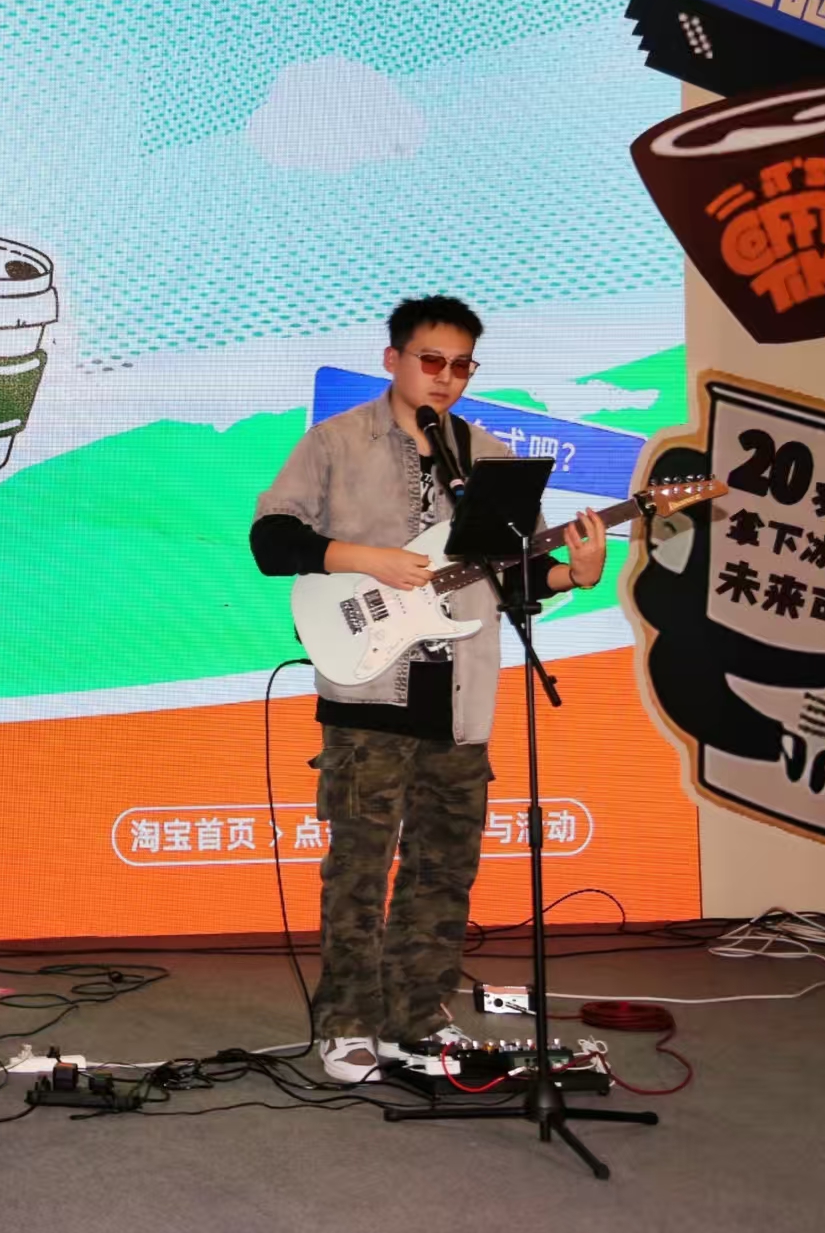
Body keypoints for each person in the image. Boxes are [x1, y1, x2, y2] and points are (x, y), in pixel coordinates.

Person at [251, 295, 607, 1083]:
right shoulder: (336, 442)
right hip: (368, 688)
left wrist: (573, 575)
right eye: (432, 360)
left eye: (462, 366)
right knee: (359, 866)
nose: (446, 377)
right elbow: (270, 539)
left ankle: (416, 1015)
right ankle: (347, 1022)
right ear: (394, 359)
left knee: (444, 867)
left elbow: (512, 576)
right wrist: (362, 557)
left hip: (463, 694)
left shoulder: (489, 457)